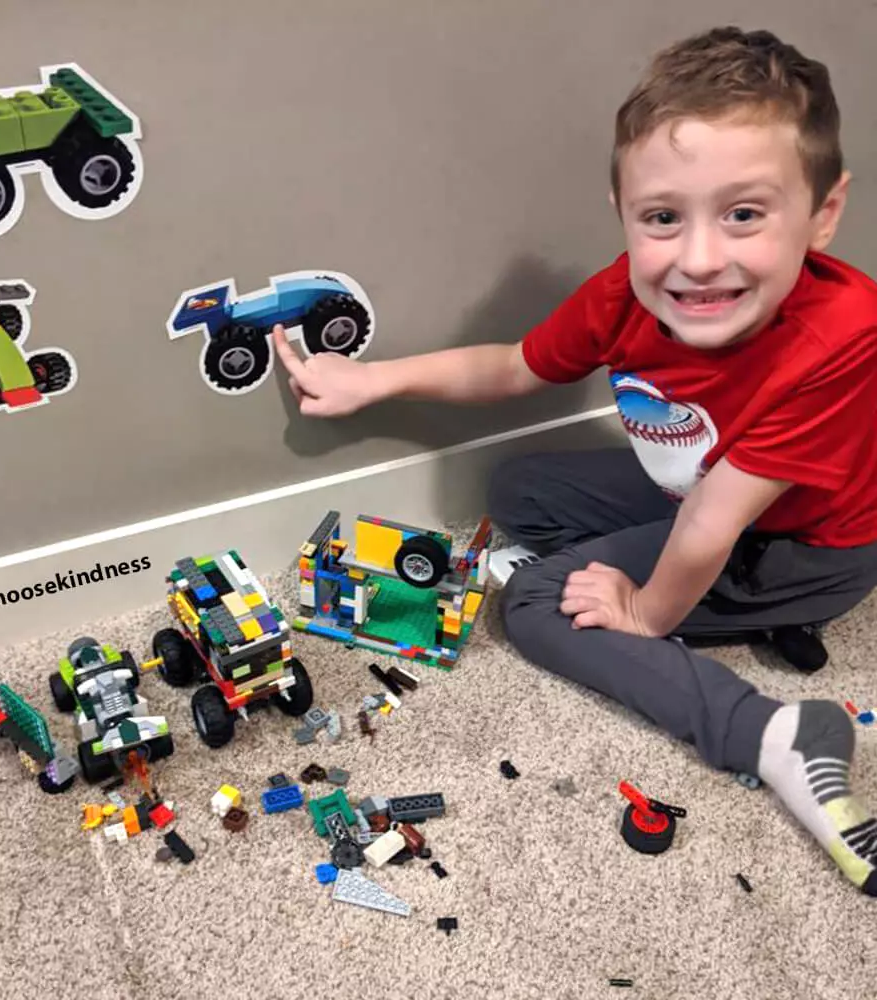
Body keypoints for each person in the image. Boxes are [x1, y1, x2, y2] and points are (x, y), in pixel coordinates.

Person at [273, 25, 877, 895]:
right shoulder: (622, 292)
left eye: (744, 213)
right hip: (704, 495)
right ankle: (638, 590)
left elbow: (713, 521)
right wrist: (373, 381)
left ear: (822, 214)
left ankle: (772, 735)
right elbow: (515, 365)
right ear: (624, 210)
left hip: (803, 546)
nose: (699, 260)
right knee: (519, 487)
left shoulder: (841, 339)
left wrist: (645, 612)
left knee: (535, 607)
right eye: (664, 218)